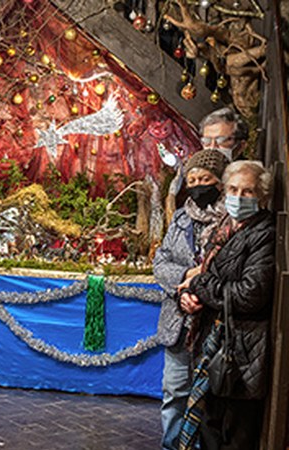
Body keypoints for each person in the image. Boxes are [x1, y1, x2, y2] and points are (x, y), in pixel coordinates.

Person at [176, 160, 274, 449]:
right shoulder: (224, 227)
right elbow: (206, 273)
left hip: (240, 353)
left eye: (248, 191)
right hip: (212, 342)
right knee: (209, 430)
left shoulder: (264, 232)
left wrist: (199, 284)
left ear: (262, 196)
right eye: (233, 189)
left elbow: (248, 295)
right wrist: (188, 297)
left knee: (233, 435)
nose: (238, 197)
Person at [152, 149, 229, 450]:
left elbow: (227, 268)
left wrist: (199, 285)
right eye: (192, 180)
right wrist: (186, 280)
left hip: (213, 322)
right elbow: (161, 263)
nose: (197, 186)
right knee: (174, 391)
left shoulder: (231, 220)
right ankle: (171, 446)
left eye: (204, 179)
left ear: (220, 182)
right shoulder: (181, 218)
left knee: (211, 397)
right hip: (178, 321)